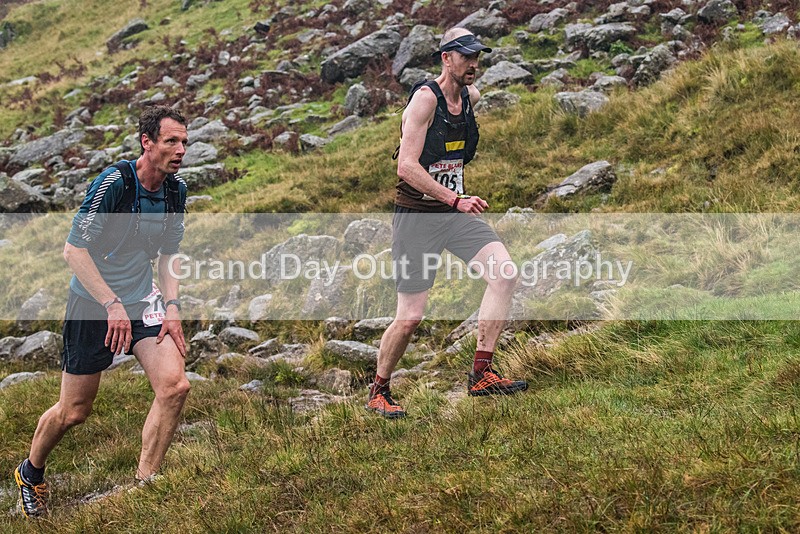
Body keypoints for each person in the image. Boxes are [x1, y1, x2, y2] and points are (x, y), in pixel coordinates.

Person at [14, 105, 190, 517]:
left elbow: (169, 255)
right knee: (74, 411)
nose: (180, 149)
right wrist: (110, 304)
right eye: (171, 141)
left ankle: (145, 483)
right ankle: (31, 471)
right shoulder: (114, 182)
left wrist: (173, 307)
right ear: (147, 143)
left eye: (184, 141)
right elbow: (73, 250)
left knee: (175, 387)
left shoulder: (175, 191)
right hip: (93, 303)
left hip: (141, 299)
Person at [366, 28, 528, 419]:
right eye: (466, 56)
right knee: (410, 317)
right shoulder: (424, 100)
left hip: (455, 214)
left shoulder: (470, 97)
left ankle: (481, 374)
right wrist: (454, 198)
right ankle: (378, 390)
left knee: (505, 274)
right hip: (419, 216)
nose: (474, 64)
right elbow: (406, 166)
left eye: (478, 57)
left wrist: (456, 203)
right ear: (446, 58)